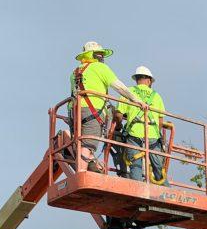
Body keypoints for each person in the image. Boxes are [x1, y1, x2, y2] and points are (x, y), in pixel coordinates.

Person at [70, 42, 139, 173]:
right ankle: (82, 173)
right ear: (93, 55)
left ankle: (90, 165)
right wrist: (137, 101)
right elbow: (119, 86)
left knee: (81, 142)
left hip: (76, 111)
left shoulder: (75, 71)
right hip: (93, 111)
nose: (102, 57)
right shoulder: (100, 68)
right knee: (88, 144)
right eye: (99, 54)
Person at [113, 66, 170, 183]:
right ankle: (166, 192)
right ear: (149, 81)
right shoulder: (156, 96)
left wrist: (119, 126)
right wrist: (156, 134)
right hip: (153, 137)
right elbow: (160, 120)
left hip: (134, 135)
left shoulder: (128, 92)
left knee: (135, 166)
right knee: (159, 169)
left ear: (136, 79)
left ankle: (138, 191)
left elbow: (118, 115)